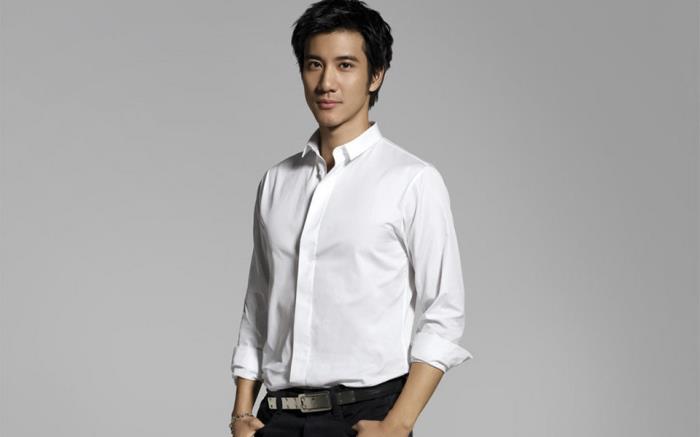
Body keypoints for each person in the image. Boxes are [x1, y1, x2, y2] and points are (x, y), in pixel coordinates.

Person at [229, 1, 473, 436]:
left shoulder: (412, 180)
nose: (327, 82)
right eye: (314, 64)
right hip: (275, 417)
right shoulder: (276, 182)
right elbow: (259, 303)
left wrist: (398, 424)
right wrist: (241, 412)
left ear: (375, 75)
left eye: (345, 65)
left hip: (364, 416)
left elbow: (444, 312)